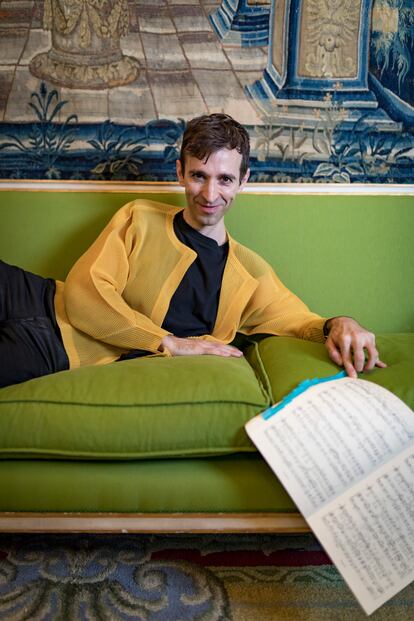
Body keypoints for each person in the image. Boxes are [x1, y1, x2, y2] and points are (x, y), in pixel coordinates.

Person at [0, 113, 385, 388]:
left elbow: (301, 322)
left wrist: (341, 323)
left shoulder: (249, 273)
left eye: (225, 179)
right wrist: (167, 343)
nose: (210, 194)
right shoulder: (139, 217)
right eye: (199, 175)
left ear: (243, 181)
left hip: (53, 349)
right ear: (180, 172)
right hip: (38, 295)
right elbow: (84, 295)